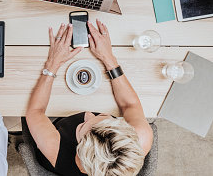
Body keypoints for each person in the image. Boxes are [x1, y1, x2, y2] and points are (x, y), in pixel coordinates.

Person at [26, 22, 153, 176]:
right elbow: (130, 105)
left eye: (83, 126)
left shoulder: (58, 152)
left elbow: (35, 111)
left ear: (80, 161)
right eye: (103, 117)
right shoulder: (141, 139)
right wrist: (109, 58)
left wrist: (53, 63)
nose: (89, 114)